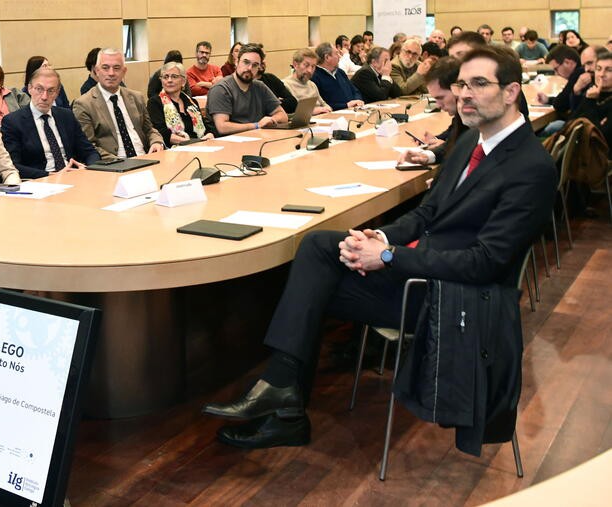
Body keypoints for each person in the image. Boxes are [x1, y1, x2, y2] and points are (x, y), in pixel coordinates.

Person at [201, 46, 556, 450]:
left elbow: (484, 264)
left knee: (306, 287)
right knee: (316, 247)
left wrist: (388, 256)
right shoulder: (472, 140)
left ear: (511, 92)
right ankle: (282, 394)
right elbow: (427, 213)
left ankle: (285, 405)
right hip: (420, 269)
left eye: (478, 84)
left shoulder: (530, 167)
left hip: (451, 298)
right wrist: (380, 238)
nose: (464, 94)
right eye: (461, 84)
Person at [2, 68, 100, 179]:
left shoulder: (66, 116)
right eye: (39, 89)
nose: (44, 97)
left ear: (57, 93)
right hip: (40, 180)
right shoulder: (13, 122)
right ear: (30, 89)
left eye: (51, 91)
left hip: (73, 176)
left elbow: (90, 152)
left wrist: (87, 169)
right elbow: (13, 166)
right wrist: (52, 175)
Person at [72, 48, 164, 160]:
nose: (111, 73)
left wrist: (156, 142)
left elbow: (149, 130)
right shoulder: (84, 104)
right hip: (114, 163)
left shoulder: (136, 97)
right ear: (96, 70)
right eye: (105, 68)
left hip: (146, 157)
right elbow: (88, 146)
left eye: (116, 68)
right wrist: (119, 162)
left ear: (124, 71)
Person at [206, 43, 288, 135]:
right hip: (230, 141)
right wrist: (257, 125)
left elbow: (283, 116)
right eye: (246, 62)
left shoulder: (260, 87)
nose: (249, 68)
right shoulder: (221, 89)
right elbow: (223, 127)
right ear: (236, 62)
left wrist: (271, 119)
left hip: (259, 138)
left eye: (255, 65)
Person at [398, 57, 467, 165]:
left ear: (458, 89)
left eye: (441, 98)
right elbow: (453, 131)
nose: (438, 105)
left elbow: (461, 147)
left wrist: (438, 149)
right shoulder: (461, 115)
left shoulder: (473, 118)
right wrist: (435, 139)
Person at [148, 62, 215, 147]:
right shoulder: (155, 103)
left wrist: (210, 134)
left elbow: (206, 127)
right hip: (174, 149)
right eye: (165, 77)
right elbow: (161, 133)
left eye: (174, 76)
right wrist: (192, 142)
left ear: (183, 81)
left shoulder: (192, 102)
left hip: (200, 145)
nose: (169, 80)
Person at [571, 50, 612, 154]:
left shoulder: (592, 97)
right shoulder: (593, 93)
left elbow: (599, 138)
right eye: (598, 69)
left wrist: (590, 102)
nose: (601, 74)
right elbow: (571, 123)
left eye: (609, 70)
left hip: (601, 158)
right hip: (581, 150)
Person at [536, 46, 585, 124]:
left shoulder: (579, 74)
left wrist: (553, 101)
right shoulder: (578, 72)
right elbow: (565, 99)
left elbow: (560, 104)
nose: (556, 74)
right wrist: (548, 100)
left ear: (568, 63)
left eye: (556, 69)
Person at [311, 42, 364, 110]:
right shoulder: (314, 77)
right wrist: (346, 105)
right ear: (327, 57)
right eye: (336, 53)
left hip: (354, 110)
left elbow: (355, 91)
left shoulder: (340, 72)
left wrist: (358, 100)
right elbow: (322, 105)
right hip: (334, 114)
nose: (339, 56)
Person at [281, 48, 332, 115]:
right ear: (295, 65)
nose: (310, 70)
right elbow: (288, 114)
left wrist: (327, 109)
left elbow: (325, 105)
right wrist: (312, 111)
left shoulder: (312, 85)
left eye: (313, 66)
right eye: (306, 65)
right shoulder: (285, 85)